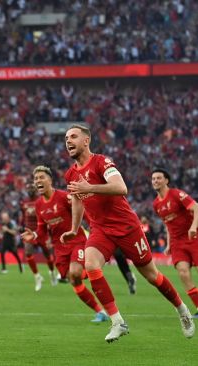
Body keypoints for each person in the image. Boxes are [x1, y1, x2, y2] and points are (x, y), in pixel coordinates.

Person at [61, 124, 194, 342]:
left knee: (152, 276)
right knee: (91, 265)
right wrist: (74, 229)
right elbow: (77, 198)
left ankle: (182, 310)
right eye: (66, 138)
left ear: (86, 141)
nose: (68, 141)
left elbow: (121, 187)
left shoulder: (102, 162)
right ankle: (117, 321)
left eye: (73, 136)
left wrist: (90, 188)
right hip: (100, 229)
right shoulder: (71, 173)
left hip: (127, 227)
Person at [21, 166, 108, 323]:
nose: (38, 181)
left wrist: (95, 229)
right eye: (36, 179)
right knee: (74, 280)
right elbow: (42, 230)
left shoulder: (63, 197)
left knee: (75, 273)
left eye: (41, 177)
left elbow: (83, 212)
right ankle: (100, 312)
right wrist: (33, 235)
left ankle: (93, 266)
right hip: (59, 248)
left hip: (76, 241)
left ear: (50, 180)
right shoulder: (39, 205)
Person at [152, 168, 198, 317]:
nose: (155, 181)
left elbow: (196, 207)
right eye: (153, 179)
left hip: (193, 238)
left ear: (166, 180)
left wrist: (193, 226)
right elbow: (167, 224)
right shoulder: (156, 204)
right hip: (178, 243)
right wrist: (168, 244)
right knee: (183, 273)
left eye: (159, 178)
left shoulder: (177, 194)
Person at [21, 183, 57, 290]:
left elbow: (47, 216)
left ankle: (51, 272)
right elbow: (23, 217)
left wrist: (50, 234)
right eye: (28, 188)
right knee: (28, 253)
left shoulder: (41, 200)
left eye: (32, 188)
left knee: (48, 256)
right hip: (29, 232)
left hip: (41, 232)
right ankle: (37, 276)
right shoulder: (24, 202)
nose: (30, 190)